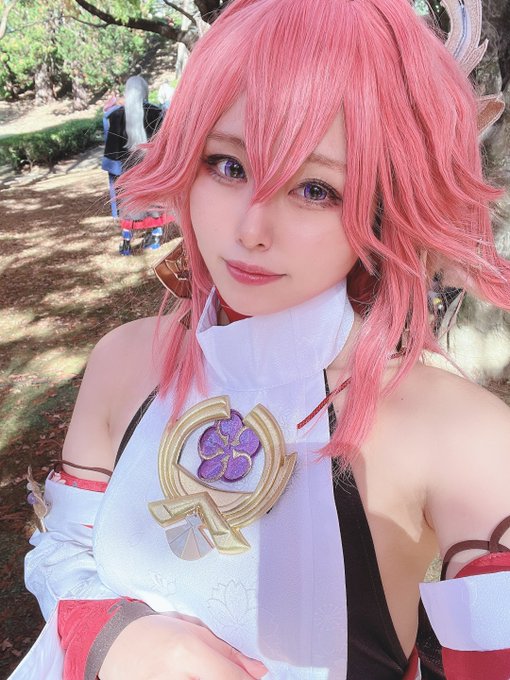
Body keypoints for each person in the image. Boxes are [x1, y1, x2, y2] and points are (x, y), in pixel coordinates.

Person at [9, 0, 510, 678]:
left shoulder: (460, 435)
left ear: (381, 208)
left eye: (315, 189)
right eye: (228, 165)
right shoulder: (123, 362)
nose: (251, 229)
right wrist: (117, 638)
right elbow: (63, 549)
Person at [101, 75, 167, 255]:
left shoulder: (116, 115)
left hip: (127, 170)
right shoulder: (157, 112)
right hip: (151, 167)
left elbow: (112, 148)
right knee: (154, 203)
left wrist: (115, 174)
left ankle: (126, 243)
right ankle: (155, 237)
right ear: (145, 91)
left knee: (129, 205)